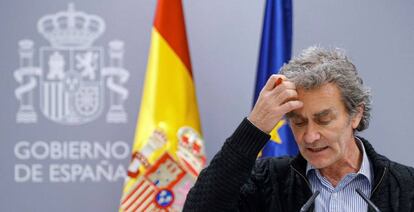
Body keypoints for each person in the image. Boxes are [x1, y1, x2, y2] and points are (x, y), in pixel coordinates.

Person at [183, 46, 414, 211]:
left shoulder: (406, 186)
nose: (310, 137)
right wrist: (253, 127)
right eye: (299, 122)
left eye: (323, 120)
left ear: (356, 115)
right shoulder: (268, 180)